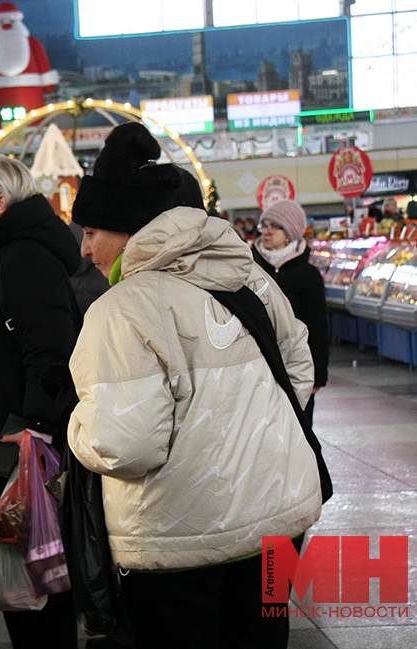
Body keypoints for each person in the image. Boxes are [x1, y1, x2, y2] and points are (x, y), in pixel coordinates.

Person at [66, 123, 322, 649]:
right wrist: (251, 440)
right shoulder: (249, 275)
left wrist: (76, 426)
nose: (86, 249)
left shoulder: (120, 310)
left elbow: (127, 442)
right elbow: (299, 370)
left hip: (178, 544)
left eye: (92, 232)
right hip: (278, 524)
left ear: (126, 226)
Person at [0, 154, 80, 649]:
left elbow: (50, 354)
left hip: (16, 455)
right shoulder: (10, 254)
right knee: (29, 592)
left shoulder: (24, 258)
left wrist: (29, 437)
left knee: (35, 596)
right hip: (7, 447)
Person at [252, 199, 329, 428]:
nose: (267, 231)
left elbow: (317, 326)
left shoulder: (307, 275)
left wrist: (317, 376)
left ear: (290, 233)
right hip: (258, 365)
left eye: (275, 226)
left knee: (299, 429)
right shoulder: (249, 267)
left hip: (297, 364)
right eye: (264, 225)